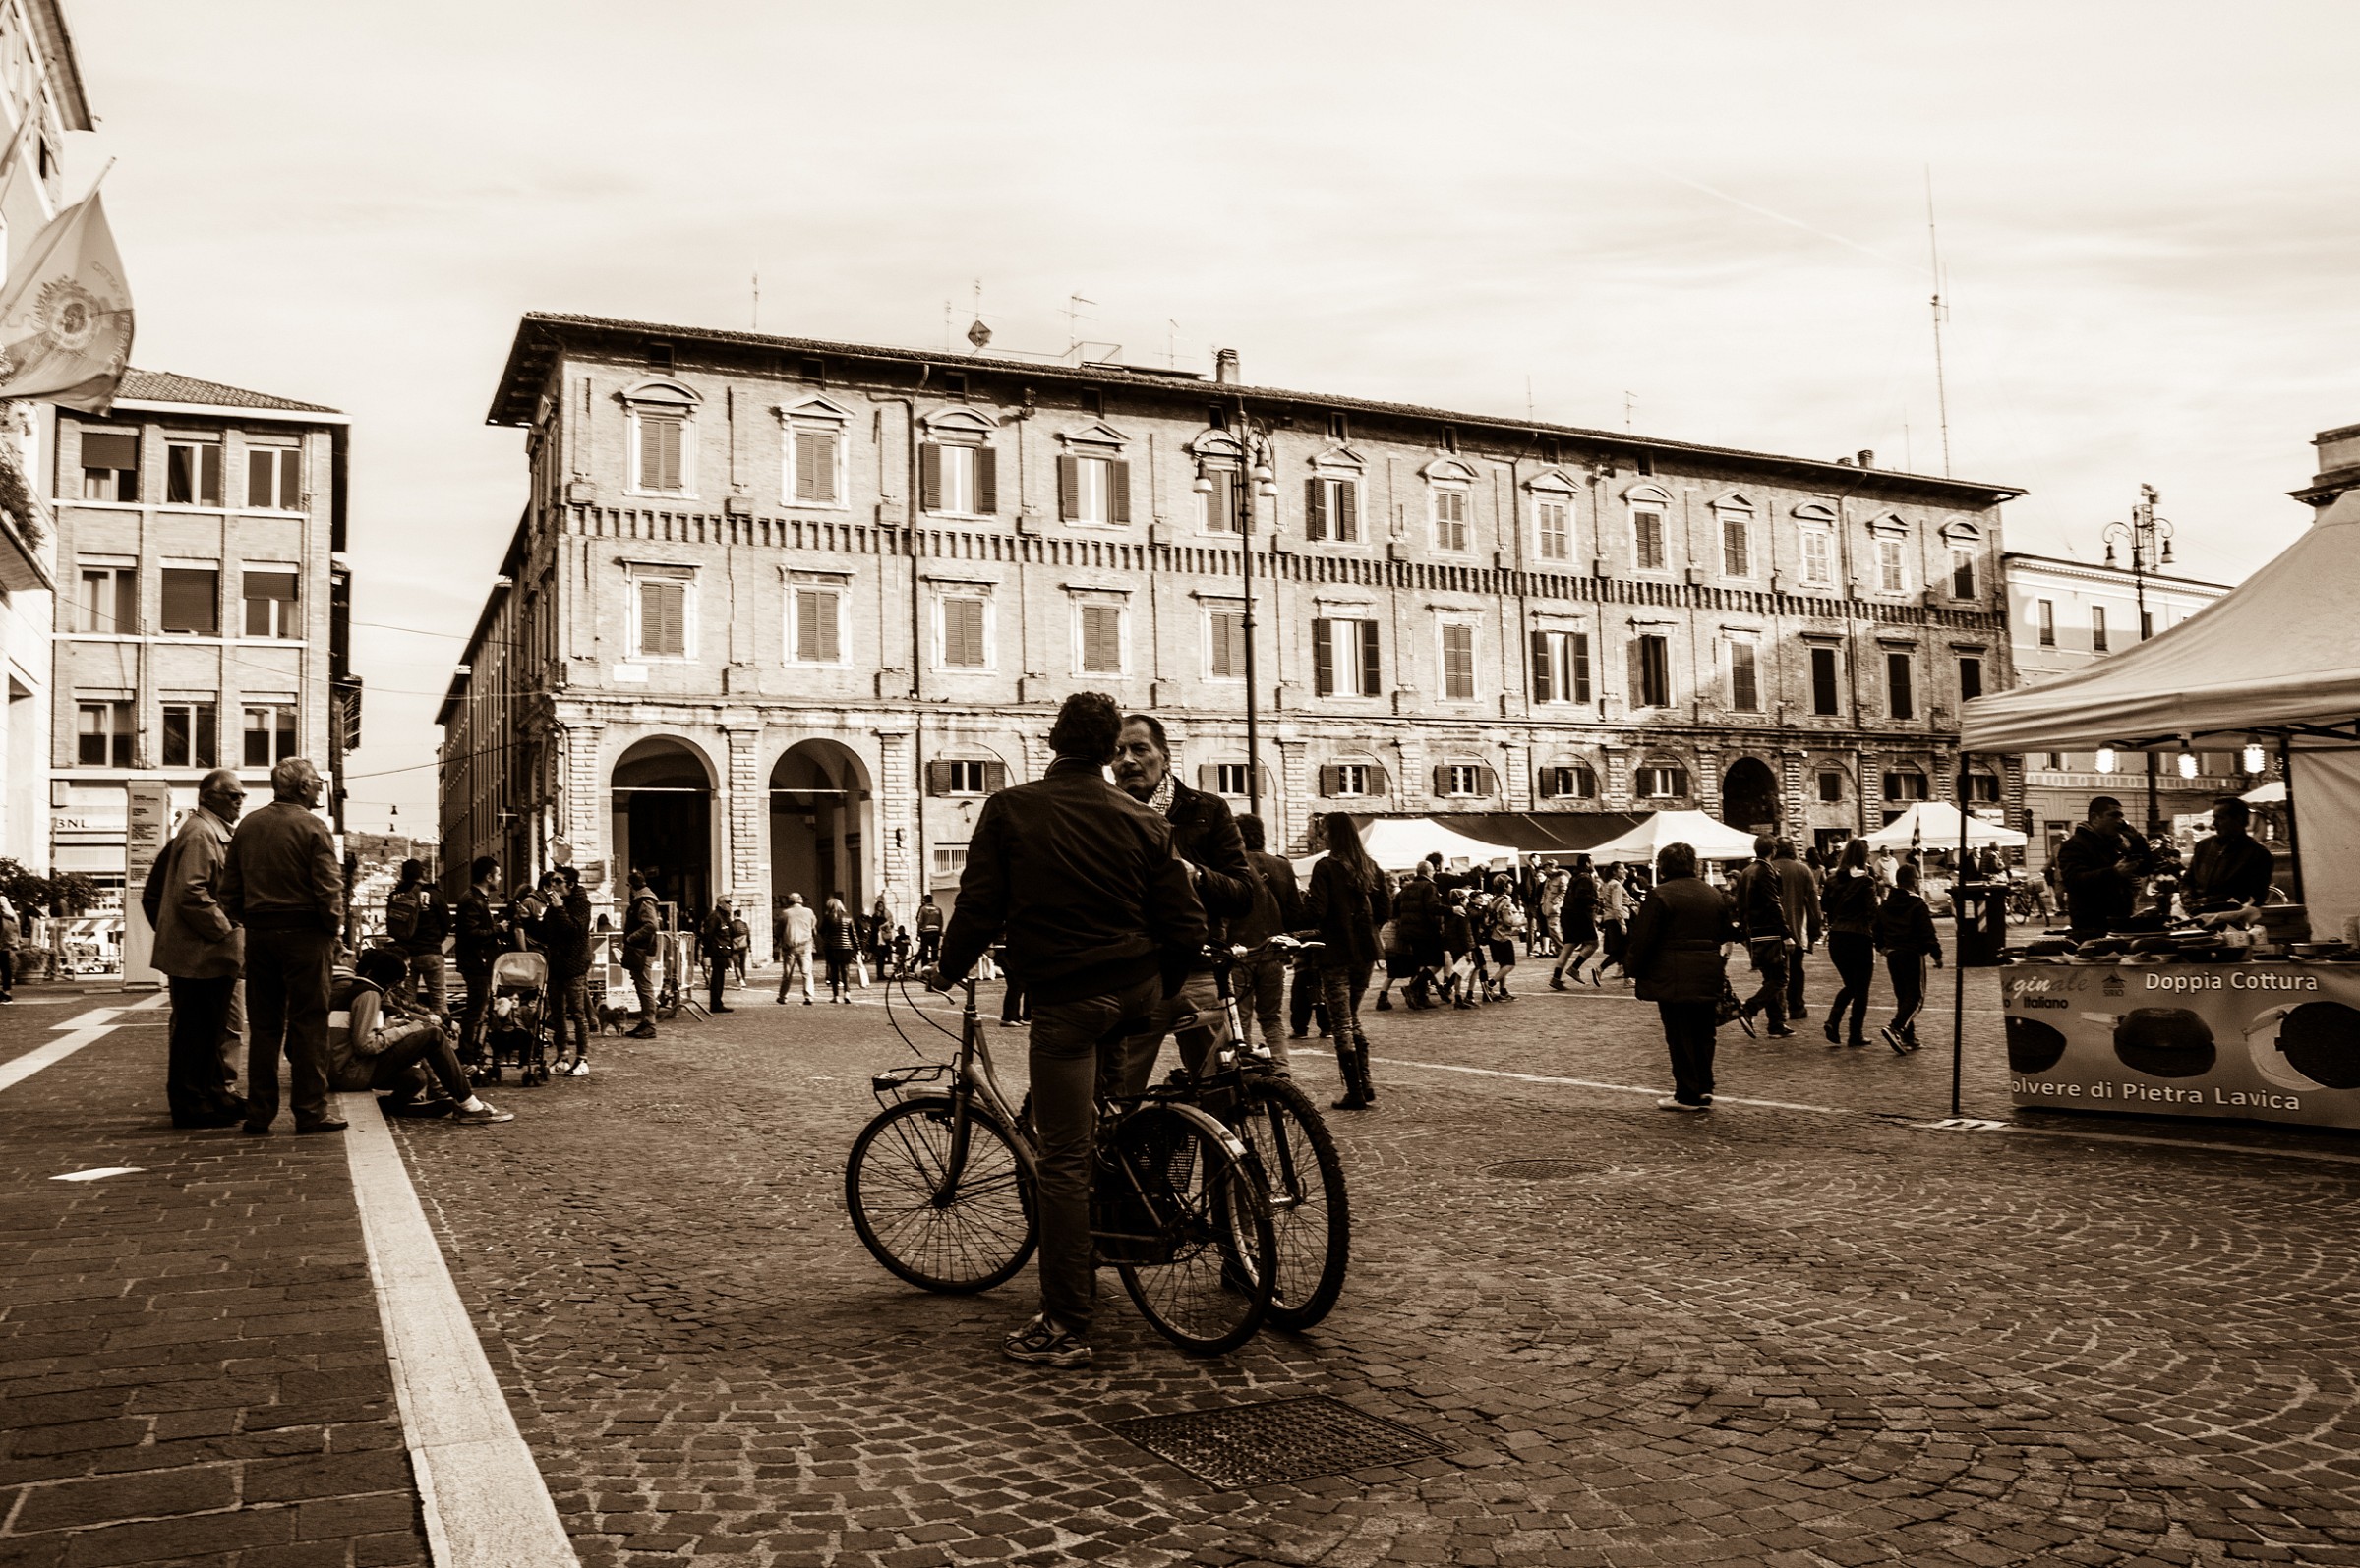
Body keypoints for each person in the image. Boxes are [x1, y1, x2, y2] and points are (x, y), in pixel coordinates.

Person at [929, 691, 1207, 1368]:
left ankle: (1066, 1320)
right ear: (1113, 747)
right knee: (1105, 1126)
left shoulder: (1012, 807)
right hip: (1138, 992)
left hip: (1070, 1000)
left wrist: (947, 968)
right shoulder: (1141, 817)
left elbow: (979, 903)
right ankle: (1116, 1230)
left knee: (1062, 1159)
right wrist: (1161, 990)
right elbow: (1185, 923)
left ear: (1054, 739)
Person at [1110, 713, 1256, 1093]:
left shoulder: (1207, 810)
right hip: (1134, 978)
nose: (1127, 760)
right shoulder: (1104, 816)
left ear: (1165, 756)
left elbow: (1243, 894)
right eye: (1117, 752)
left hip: (1201, 973)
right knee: (1117, 1098)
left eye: (1140, 749)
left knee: (1221, 1096)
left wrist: (1195, 874)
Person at [220, 758, 345, 1136]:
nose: (320, 789)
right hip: (306, 935)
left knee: (264, 1026)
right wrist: (333, 929)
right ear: (303, 787)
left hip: (261, 935)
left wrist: (251, 918)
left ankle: (260, 1113)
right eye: (316, 784)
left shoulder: (248, 826)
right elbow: (328, 889)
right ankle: (310, 1111)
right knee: (309, 1023)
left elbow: (229, 891)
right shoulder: (312, 826)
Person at [144, 768, 249, 1128]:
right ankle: (191, 1102)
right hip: (199, 952)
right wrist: (226, 929)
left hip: (208, 953)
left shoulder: (211, 832)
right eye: (232, 795)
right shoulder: (202, 833)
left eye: (240, 796)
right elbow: (192, 893)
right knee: (196, 1030)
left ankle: (213, 1092)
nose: (239, 801)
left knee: (210, 1028)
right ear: (208, 797)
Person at [327, 948, 512, 1124]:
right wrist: (407, 1030)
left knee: (416, 1077)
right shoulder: (368, 994)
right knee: (433, 1036)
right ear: (390, 982)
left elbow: (354, 1038)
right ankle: (469, 1106)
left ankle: (393, 1105)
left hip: (343, 1072)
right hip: (351, 1073)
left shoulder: (355, 990)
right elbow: (365, 1045)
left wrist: (387, 1028)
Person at [1622, 842, 1738, 1112]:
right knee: (1704, 1032)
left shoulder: (1660, 895)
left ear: (1663, 866)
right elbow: (1725, 933)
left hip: (1672, 971)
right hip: (1708, 967)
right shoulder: (1713, 893)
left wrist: (1633, 968)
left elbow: (1643, 938)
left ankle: (1687, 1093)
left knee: (1679, 1033)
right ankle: (1705, 1087)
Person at [1299, 812, 1389, 1109]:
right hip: (1365, 951)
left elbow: (1317, 911)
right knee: (1351, 1017)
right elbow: (1384, 908)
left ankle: (1356, 1090)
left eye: (1323, 831)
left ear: (1333, 834)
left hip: (1337, 951)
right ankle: (1366, 1082)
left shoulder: (1326, 867)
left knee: (1342, 1021)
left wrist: (1302, 905)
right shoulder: (1370, 866)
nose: (1321, 836)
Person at [1231, 813, 1303, 1064]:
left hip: (1239, 954)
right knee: (1272, 1018)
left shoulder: (1233, 866)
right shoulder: (1282, 865)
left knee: (1240, 1023)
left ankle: (1247, 1077)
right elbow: (1296, 913)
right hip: (1273, 953)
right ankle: (1283, 1073)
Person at [2056, 796, 2151, 940]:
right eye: (2113, 815)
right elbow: (2074, 880)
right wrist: (2114, 873)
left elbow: (2144, 869)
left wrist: (2137, 840)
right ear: (2095, 818)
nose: (2119, 821)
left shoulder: (2116, 844)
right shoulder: (2075, 845)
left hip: (2119, 921)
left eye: (2121, 816)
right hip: (2091, 926)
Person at [1873, 861, 1943, 1052]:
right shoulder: (1917, 904)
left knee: (1903, 995)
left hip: (1893, 955)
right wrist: (1937, 955)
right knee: (1916, 997)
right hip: (1912, 953)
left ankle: (1908, 1036)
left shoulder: (1886, 905)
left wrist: (1882, 948)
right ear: (1913, 881)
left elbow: (1876, 929)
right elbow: (1927, 932)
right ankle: (1895, 1028)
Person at [1819, 838, 1882, 1048]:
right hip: (1859, 937)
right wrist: (1881, 938)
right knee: (1861, 988)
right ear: (1864, 857)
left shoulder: (1832, 879)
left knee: (1850, 985)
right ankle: (1854, 1032)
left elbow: (1826, 906)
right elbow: (1873, 913)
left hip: (1837, 938)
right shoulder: (1866, 881)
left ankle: (1834, 1020)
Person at [531, 869, 595, 1074]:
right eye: (552, 881)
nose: (553, 885)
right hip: (556, 966)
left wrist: (559, 909)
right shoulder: (554, 906)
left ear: (571, 884)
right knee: (557, 1013)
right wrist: (527, 921)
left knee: (577, 1012)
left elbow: (575, 931)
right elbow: (545, 934)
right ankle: (563, 1055)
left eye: (558, 881)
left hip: (575, 966)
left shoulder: (582, 905)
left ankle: (582, 1059)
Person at [1733, 836, 1797, 1038]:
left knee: (1770, 977)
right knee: (1779, 978)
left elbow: (1739, 903)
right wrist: (1785, 933)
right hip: (1768, 931)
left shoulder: (1746, 871)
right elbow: (1773, 903)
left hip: (1753, 931)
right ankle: (1749, 1009)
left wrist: (1743, 930)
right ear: (1774, 850)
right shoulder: (1765, 870)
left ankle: (1776, 1023)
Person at [2183, 797, 2275, 912]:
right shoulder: (2203, 846)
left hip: (2232, 922)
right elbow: (2187, 880)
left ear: (2238, 819)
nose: (2214, 823)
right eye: (2214, 818)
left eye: (2220, 818)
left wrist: (2208, 902)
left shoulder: (2258, 854)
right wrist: (2187, 898)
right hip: (2195, 917)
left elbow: (2255, 896)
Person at [454, 856, 506, 1057]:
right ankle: (468, 1051)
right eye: (498, 875)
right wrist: (498, 929)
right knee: (476, 1009)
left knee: (480, 1007)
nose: (499, 879)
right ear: (488, 876)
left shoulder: (476, 898)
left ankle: (476, 1047)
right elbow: (472, 935)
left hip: (480, 961)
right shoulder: (472, 900)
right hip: (477, 962)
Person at [384, 858, 449, 1018]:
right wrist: (435, 941)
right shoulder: (434, 894)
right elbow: (447, 923)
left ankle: (409, 1029)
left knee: (406, 1000)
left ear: (403, 875)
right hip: (430, 952)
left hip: (405, 956)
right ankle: (443, 1034)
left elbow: (391, 926)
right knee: (439, 1000)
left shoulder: (395, 895)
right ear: (422, 873)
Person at [1771, 839, 1823, 1021]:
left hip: (1771, 929)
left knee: (1774, 972)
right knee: (1796, 969)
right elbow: (1813, 903)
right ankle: (1796, 1006)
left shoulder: (1767, 868)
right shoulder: (1803, 870)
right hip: (1796, 927)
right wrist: (1817, 926)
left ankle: (1778, 1010)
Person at [1391, 859, 1445, 1009]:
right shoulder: (1429, 886)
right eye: (1433, 870)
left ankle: (1422, 997)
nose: (1434, 872)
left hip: (1409, 932)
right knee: (1436, 963)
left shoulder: (1406, 888)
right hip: (1426, 930)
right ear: (1428, 872)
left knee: (1420, 964)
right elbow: (1432, 907)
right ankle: (1413, 988)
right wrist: (1450, 910)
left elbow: (1395, 909)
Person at [1550, 855, 1600, 989]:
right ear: (1588, 863)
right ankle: (1574, 968)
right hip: (1579, 914)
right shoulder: (1585, 878)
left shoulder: (1575, 876)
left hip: (1567, 913)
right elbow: (1581, 896)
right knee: (1593, 943)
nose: (1594, 863)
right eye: (1593, 861)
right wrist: (1596, 901)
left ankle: (1556, 978)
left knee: (1569, 946)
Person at [621, 871, 661, 1037]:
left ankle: (650, 1024)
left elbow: (651, 925)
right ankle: (645, 1021)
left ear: (631, 886)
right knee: (641, 985)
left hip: (643, 950)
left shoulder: (644, 901)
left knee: (644, 986)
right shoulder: (643, 900)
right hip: (641, 949)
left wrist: (632, 937)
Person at [1482, 872, 1523, 1001]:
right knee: (1509, 965)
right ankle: (1489, 985)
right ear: (1505, 886)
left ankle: (1503, 991)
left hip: (1493, 936)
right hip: (1502, 936)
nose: (1512, 886)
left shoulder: (1493, 899)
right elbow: (1508, 921)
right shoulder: (1506, 901)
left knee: (1502, 964)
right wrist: (1521, 920)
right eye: (1510, 884)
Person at [775, 892, 818, 1004]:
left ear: (789, 901)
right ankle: (809, 996)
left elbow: (778, 931)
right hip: (806, 946)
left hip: (790, 948)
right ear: (801, 901)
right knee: (807, 973)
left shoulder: (785, 913)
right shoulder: (809, 912)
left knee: (787, 974)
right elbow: (813, 927)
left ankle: (783, 996)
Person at [1595, 862, 1631, 982]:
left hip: (1610, 919)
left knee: (1619, 951)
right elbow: (1617, 906)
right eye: (1622, 869)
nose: (1625, 871)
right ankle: (1628, 978)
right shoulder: (1616, 885)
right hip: (1618, 919)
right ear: (1614, 872)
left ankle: (1601, 969)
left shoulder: (1610, 884)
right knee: (1624, 949)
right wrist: (1622, 924)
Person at [701, 899, 738, 1014]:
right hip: (717, 951)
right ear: (720, 904)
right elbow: (708, 934)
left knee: (720, 978)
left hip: (723, 951)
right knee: (717, 979)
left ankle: (718, 1002)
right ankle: (716, 1004)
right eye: (727, 903)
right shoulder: (715, 917)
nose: (729, 905)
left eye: (730, 903)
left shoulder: (724, 917)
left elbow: (732, 932)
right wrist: (706, 952)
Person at [820, 895, 857, 1002]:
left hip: (831, 948)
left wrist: (827, 939)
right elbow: (853, 934)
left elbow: (821, 931)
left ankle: (836, 996)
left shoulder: (828, 917)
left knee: (834, 971)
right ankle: (847, 993)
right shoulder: (848, 917)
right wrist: (858, 949)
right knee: (845, 970)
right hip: (846, 947)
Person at [914, 893, 944, 968]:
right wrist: (940, 931)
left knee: (924, 952)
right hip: (935, 933)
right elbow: (941, 921)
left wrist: (918, 933)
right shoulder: (938, 909)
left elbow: (920, 922)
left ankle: (925, 970)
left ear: (925, 901)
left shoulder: (923, 909)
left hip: (926, 933)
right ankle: (935, 970)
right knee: (935, 952)